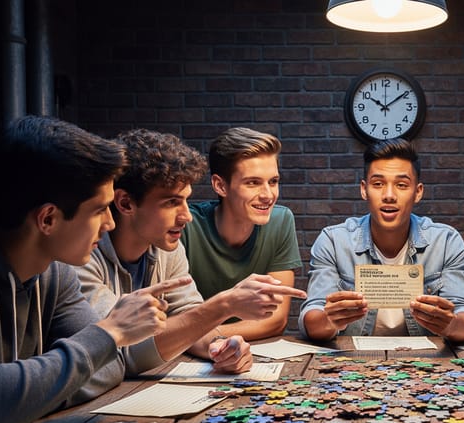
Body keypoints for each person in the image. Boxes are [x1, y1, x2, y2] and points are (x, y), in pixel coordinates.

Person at [0, 116, 190, 423]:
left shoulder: (55, 270)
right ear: (48, 219)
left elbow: (109, 367)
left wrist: (16, 399)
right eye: (100, 210)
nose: (111, 223)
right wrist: (109, 332)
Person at [76, 129, 306, 374]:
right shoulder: (80, 256)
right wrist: (224, 305)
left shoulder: (166, 248)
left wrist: (220, 347)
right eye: (172, 202)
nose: (186, 216)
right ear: (125, 203)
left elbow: (190, 319)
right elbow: (120, 350)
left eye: (186, 200)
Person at [299, 138, 464, 343]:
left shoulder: (446, 241)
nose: (389, 195)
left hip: (428, 364)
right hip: (352, 364)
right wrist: (328, 321)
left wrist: (453, 325)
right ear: (363, 190)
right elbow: (311, 314)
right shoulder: (332, 241)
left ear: (418, 192)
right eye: (378, 184)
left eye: (401, 185)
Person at [181, 127, 303, 341]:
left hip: (241, 351)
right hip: (181, 358)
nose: (268, 195)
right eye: (253, 183)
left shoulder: (280, 220)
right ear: (220, 185)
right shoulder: (185, 225)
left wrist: (209, 337)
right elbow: (171, 320)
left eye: (273, 182)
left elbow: (275, 320)